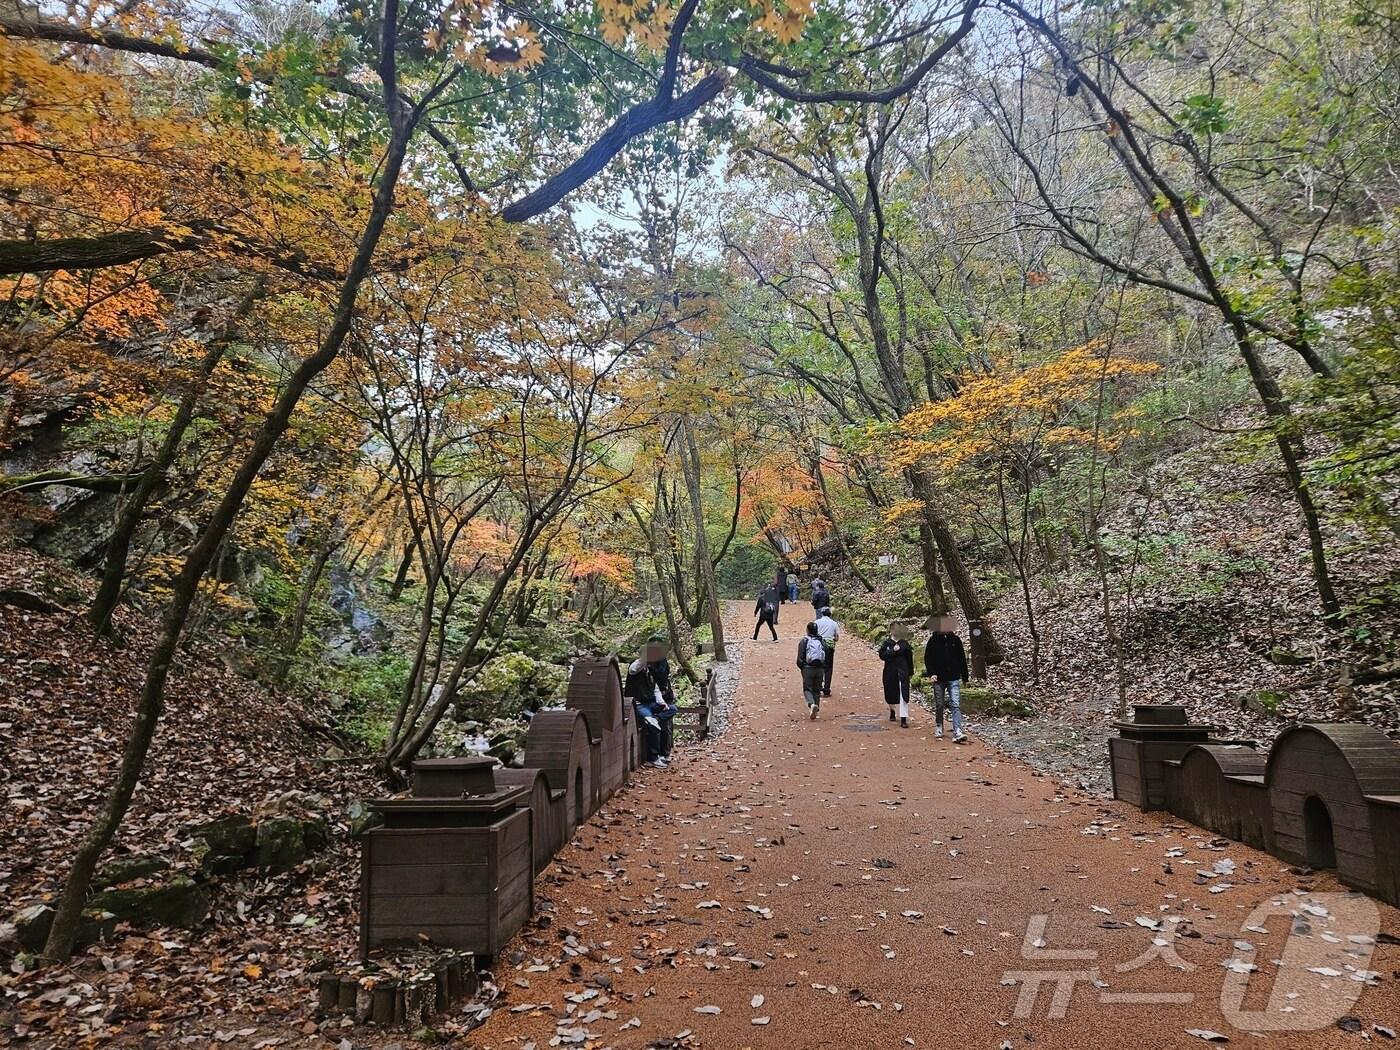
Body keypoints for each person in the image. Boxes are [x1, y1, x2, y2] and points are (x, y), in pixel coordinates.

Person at [626, 636, 677, 767]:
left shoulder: (653, 668)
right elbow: (633, 669)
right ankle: (653, 758)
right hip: (638, 705)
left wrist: (661, 702)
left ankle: (654, 720)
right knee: (653, 725)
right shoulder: (637, 666)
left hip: (650, 704)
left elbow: (655, 689)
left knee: (672, 709)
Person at [924, 619, 968, 743]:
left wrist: (965, 677)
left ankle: (957, 730)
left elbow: (961, 659)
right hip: (939, 678)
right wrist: (931, 673)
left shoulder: (955, 640)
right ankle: (939, 725)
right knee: (939, 704)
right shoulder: (933, 641)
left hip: (954, 677)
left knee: (956, 704)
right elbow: (928, 658)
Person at [877, 624, 915, 728]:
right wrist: (892, 651)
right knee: (890, 693)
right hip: (890, 672)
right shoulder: (887, 643)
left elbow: (909, 660)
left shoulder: (905, 644)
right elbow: (882, 655)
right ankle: (892, 710)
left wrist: (910, 673)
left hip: (903, 672)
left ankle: (903, 718)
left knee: (904, 694)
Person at [796, 621, 826, 719]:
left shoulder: (804, 641)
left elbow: (800, 658)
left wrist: (803, 667)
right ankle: (816, 710)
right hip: (820, 668)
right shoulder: (821, 640)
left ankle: (812, 704)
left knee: (807, 689)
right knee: (817, 690)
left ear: (808, 630)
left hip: (808, 668)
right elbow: (825, 653)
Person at [814, 606, 840, 697]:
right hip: (829, 647)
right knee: (828, 668)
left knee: (819, 667)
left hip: (818, 646)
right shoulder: (834, 623)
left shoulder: (816, 622)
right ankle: (826, 689)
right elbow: (836, 637)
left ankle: (818, 687)